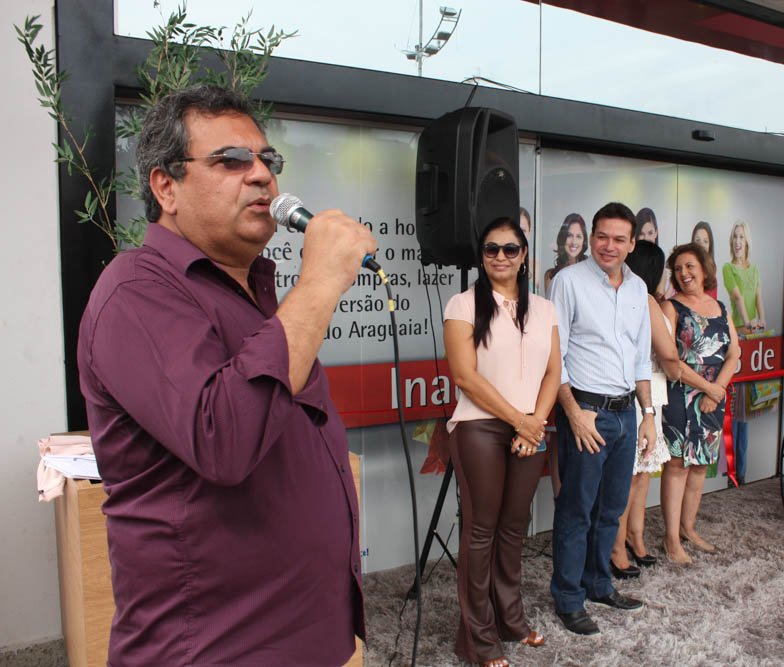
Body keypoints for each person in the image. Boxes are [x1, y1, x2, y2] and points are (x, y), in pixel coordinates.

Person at [76, 86, 372, 665]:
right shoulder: (136, 290)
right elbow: (225, 439)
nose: (261, 175)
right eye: (231, 160)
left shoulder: (257, 293)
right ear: (166, 187)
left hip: (302, 636)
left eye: (268, 160)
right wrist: (317, 283)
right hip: (216, 647)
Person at [444, 217, 560, 667]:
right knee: (480, 532)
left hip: (530, 426)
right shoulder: (462, 304)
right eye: (491, 249)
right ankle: (478, 640)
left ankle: (511, 620)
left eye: (510, 249)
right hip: (480, 427)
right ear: (482, 255)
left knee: (514, 528)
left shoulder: (545, 309)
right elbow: (464, 376)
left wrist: (536, 421)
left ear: (524, 255)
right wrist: (521, 422)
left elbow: (554, 372)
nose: (500, 257)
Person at [549, 202, 658, 636]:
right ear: (591, 237)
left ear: (633, 244)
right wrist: (574, 413)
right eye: (601, 236)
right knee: (576, 509)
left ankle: (598, 584)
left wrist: (648, 415)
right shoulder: (568, 282)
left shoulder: (637, 289)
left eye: (618, 239)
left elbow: (640, 357)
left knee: (611, 509)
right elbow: (554, 357)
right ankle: (568, 598)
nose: (608, 246)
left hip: (626, 412)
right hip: (586, 411)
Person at [661, 243, 739, 565]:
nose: (684, 273)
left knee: (701, 465)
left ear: (704, 269)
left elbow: (734, 353)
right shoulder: (671, 308)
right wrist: (708, 387)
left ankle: (688, 528)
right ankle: (670, 539)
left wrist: (716, 389)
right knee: (677, 466)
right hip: (680, 394)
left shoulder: (721, 307)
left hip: (713, 396)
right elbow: (671, 361)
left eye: (690, 266)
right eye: (678, 269)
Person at [610, 240, 681, 579]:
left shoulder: (647, 300)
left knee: (641, 475)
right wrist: (680, 369)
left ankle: (635, 539)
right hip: (642, 395)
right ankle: (616, 546)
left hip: (653, 396)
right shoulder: (647, 300)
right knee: (630, 478)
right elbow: (668, 353)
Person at [722, 220, 764, 485]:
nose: (738, 241)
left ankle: (743, 473)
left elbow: (759, 297)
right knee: (733, 413)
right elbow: (737, 298)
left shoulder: (755, 269)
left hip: (753, 338)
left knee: (745, 415)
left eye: (742, 237)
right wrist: (748, 322)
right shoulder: (727, 268)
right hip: (736, 335)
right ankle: (732, 473)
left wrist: (761, 322)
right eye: (735, 236)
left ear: (747, 241)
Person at [543, 213, 588, 296]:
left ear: (584, 240)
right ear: (563, 238)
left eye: (578, 236)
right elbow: (550, 307)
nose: (574, 242)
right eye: (569, 236)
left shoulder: (591, 272)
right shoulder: (550, 275)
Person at [691, 221, 717, 299]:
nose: (701, 245)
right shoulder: (685, 270)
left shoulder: (712, 277)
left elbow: (713, 305)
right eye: (698, 240)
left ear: (710, 245)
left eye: (705, 241)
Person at [519, 206, 538, 292]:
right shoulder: (502, 263)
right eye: (515, 230)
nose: (518, 235)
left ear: (529, 232)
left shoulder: (535, 265)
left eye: (523, 231)